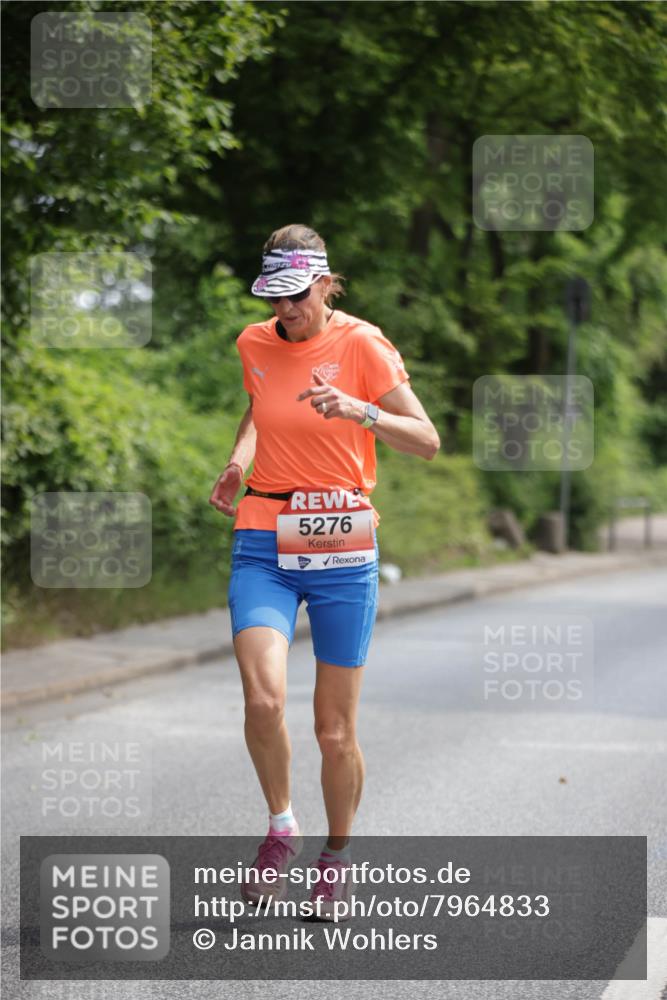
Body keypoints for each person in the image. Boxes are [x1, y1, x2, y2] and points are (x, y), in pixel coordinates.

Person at [209, 224, 439, 920]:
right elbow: (259, 408)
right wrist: (238, 462)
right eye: (275, 299)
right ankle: (282, 826)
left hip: (342, 547)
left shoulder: (361, 343)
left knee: (333, 732)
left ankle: (335, 859)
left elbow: (426, 441)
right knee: (262, 700)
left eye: (298, 297)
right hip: (264, 539)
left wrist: (361, 410)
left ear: (325, 285)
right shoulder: (252, 343)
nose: (286, 311)